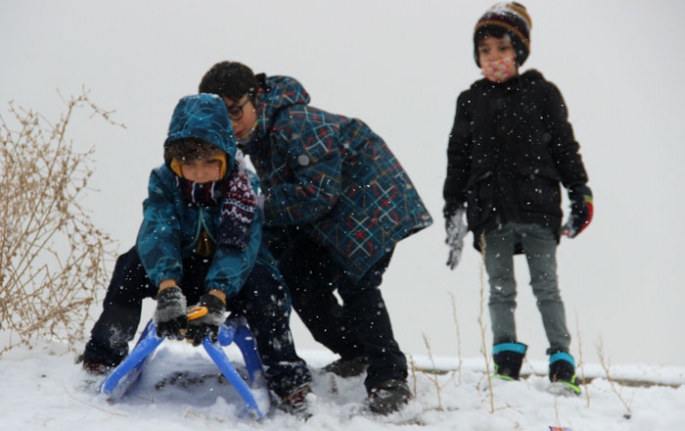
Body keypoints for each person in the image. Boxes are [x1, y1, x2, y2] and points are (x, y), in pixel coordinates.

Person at [198, 61, 433, 414]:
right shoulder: (256, 137)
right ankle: (356, 352)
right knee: (298, 281)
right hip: (328, 217)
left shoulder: (295, 122)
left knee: (357, 281)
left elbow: (317, 192)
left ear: (255, 97)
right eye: (220, 117)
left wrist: (260, 206)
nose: (230, 124)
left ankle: (389, 378)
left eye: (235, 111)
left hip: (371, 203)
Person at [80, 93, 312, 415]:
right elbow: (158, 231)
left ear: (227, 157)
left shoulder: (244, 188)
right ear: (175, 162)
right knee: (130, 266)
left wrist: (217, 295)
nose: (199, 173)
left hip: (234, 276)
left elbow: (238, 247)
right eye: (189, 163)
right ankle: (102, 355)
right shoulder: (164, 182)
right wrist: (167, 285)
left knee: (267, 287)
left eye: (210, 163)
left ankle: (287, 380)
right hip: (180, 270)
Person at [442, 2, 593, 395]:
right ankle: (506, 363)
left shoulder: (541, 93)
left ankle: (562, 363)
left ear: (519, 52)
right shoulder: (471, 100)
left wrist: (580, 191)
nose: (494, 57)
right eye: (485, 50)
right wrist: (453, 206)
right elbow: (458, 156)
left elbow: (564, 147)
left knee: (545, 286)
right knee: (499, 288)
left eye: (502, 49)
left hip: (537, 205)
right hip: (489, 211)